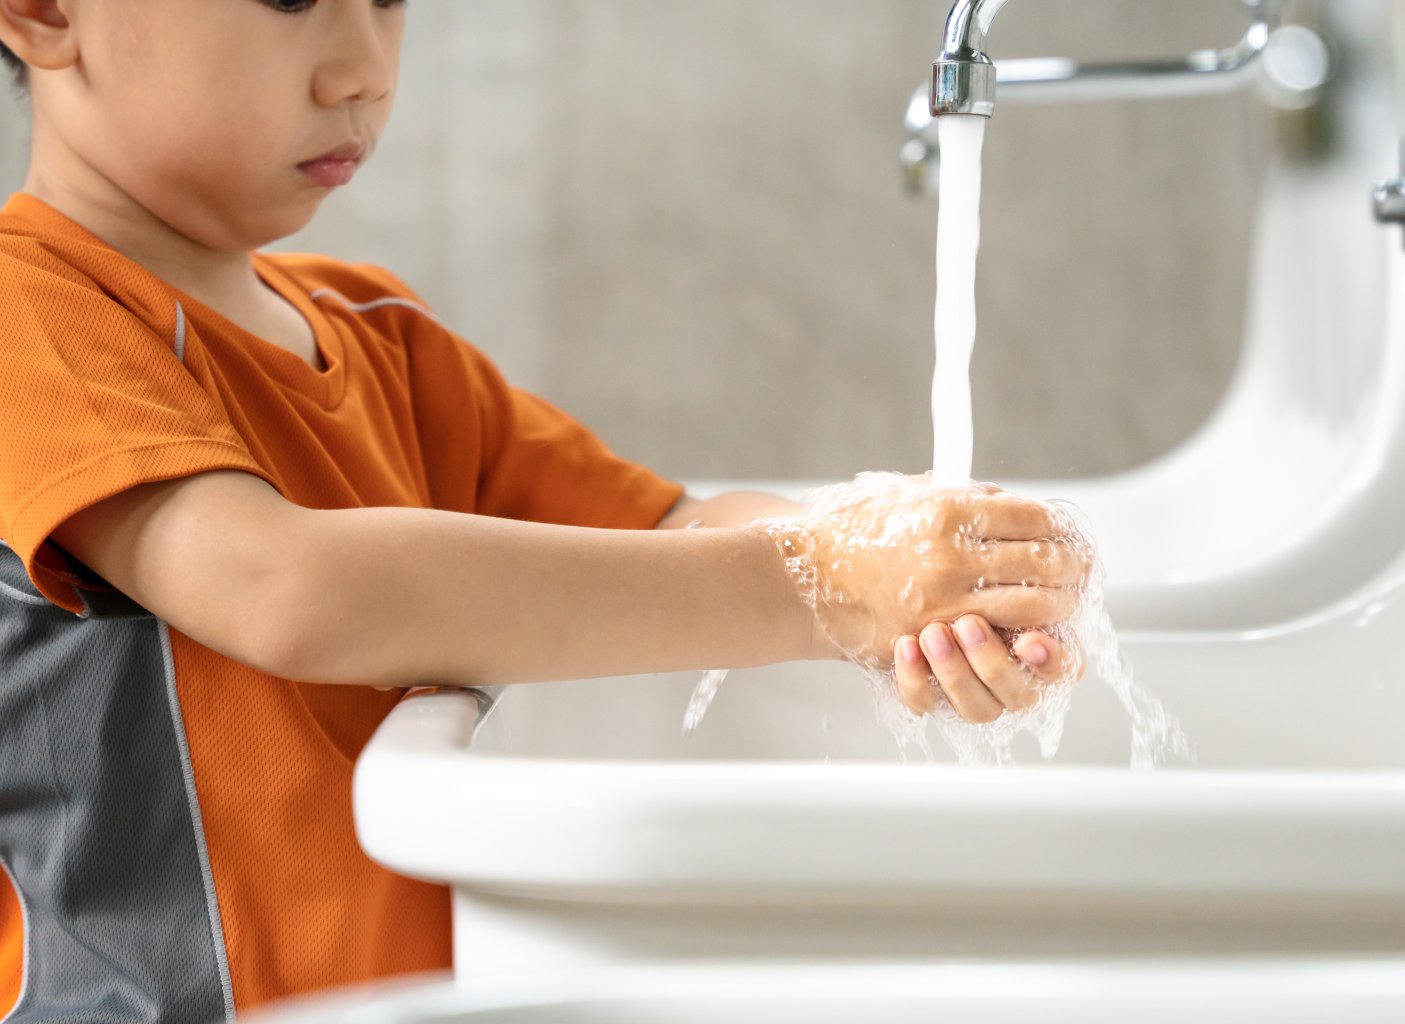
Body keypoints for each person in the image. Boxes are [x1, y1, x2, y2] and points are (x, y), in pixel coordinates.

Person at [0, 1, 1089, 1019]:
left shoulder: (382, 336)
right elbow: (285, 587)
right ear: (47, 11)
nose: (364, 72)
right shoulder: (25, 314)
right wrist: (824, 585)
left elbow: (675, 529)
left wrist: (914, 569)